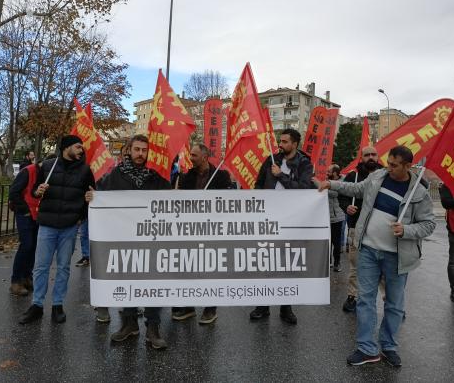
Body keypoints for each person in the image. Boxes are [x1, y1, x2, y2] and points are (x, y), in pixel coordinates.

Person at [317, 145, 436, 367]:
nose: (388, 167)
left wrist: (407, 230)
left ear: (407, 166)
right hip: (368, 250)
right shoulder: (378, 176)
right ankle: (366, 349)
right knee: (365, 300)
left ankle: (388, 346)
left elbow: (429, 224)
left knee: (394, 305)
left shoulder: (419, 193)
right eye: (388, 162)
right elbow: (356, 189)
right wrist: (331, 183)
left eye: (394, 165)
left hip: (397, 257)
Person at [87, 134, 171, 350]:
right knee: (129, 282)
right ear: (129, 151)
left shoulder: (155, 178)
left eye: (144, 150)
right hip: (123, 240)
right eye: (137, 149)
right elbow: (100, 195)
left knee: (153, 284)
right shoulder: (114, 176)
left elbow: (170, 202)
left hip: (151, 242)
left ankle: (153, 328)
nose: (140, 154)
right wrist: (92, 197)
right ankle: (129, 323)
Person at [19, 135, 94, 325]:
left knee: (63, 267)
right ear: (66, 148)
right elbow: (35, 190)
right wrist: (38, 191)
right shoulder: (48, 166)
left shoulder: (85, 170)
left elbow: (92, 195)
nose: (81, 150)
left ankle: (57, 305)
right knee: (41, 267)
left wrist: (81, 216)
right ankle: (36, 305)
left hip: (69, 227)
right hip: (47, 225)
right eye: (78, 147)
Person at [249, 128, 313, 325]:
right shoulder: (271, 160)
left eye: (285, 142)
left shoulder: (304, 163)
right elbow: (258, 184)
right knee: (265, 261)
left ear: (295, 144)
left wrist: (281, 176)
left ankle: (286, 307)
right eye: (280, 141)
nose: (280, 144)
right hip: (268, 218)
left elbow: (304, 189)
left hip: (291, 219)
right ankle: (263, 305)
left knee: (287, 263)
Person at [173, 143, 234, 324]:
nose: (191, 158)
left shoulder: (221, 176)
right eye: (190, 155)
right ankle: (189, 305)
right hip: (190, 231)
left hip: (213, 231)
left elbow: (230, 202)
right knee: (189, 267)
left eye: (194, 155)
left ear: (205, 157)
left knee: (210, 269)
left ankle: (210, 308)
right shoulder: (186, 177)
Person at [338, 146, 384, 312]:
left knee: (384, 267)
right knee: (355, 265)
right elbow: (342, 196)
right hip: (355, 228)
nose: (370, 157)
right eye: (367, 155)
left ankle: (389, 301)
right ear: (361, 157)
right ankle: (352, 296)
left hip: (380, 230)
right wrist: (346, 207)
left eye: (373, 154)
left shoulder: (386, 175)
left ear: (378, 157)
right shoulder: (353, 176)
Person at [8, 158, 40, 296]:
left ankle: (27, 276)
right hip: (25, 214)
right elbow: (13, 192)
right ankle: (16, 281)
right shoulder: (28, 171)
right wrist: (24, 209)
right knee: (26, 245)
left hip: (37, 214)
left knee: (33, 246)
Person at [324, 164, 345, 272]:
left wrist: (322, 186)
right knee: (327, 241)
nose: (327, 173)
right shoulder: (326, 181)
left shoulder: (342, 183)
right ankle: (328, 262)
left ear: (335, 173)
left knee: (336, 243)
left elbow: (334, 193)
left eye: (329, 171)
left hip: (337, 218)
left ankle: (337, 263)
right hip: (326, 218)